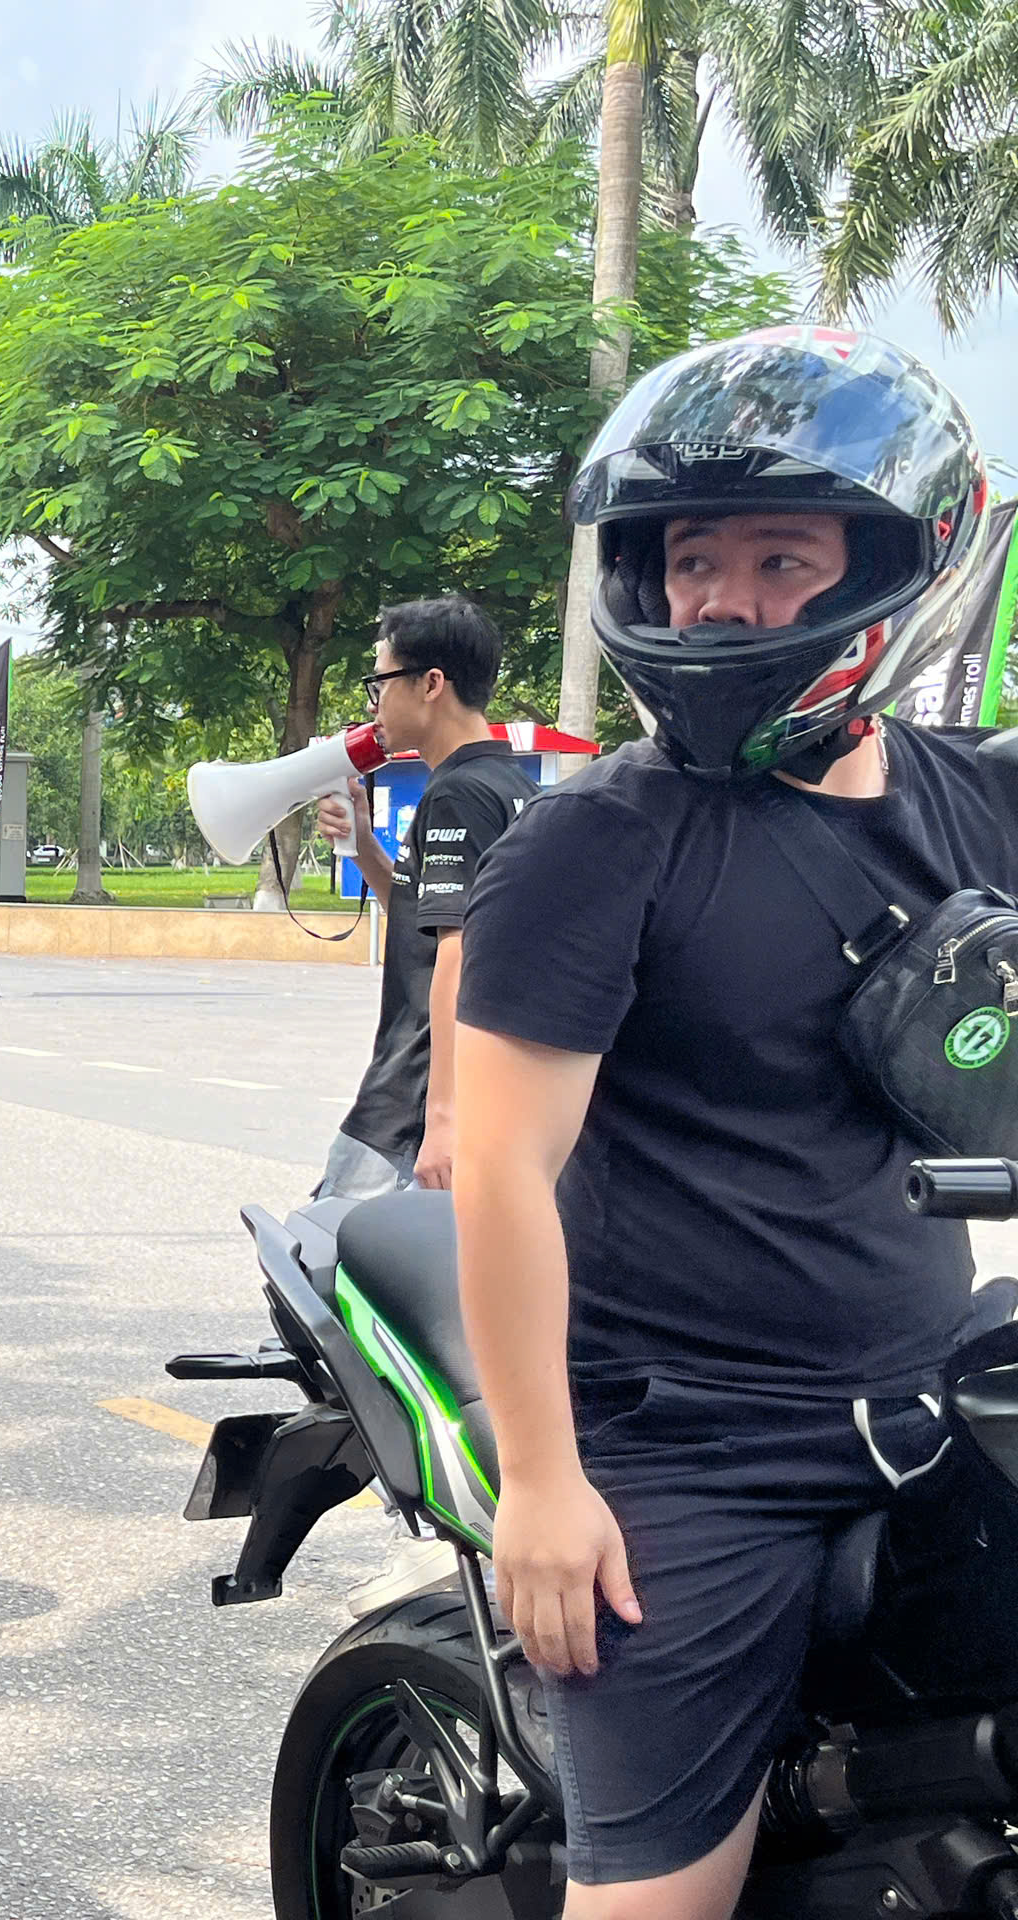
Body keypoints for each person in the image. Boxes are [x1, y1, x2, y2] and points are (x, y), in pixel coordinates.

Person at [453, 327, 1008, 1917]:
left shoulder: (981, 800)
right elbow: (499, 1163)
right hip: (692, 1445)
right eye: (694, 560)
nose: (721, 603)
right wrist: (543, 1486)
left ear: (900, 570)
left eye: (780, 560)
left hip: (935, 1393)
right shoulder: (597, 842)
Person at [316, 598, 539, 1198]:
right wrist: (364, 846)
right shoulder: (513, 786)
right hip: (477, 1089)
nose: (374, 705)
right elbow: (426, 918)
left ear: (431, 684)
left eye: (381, 682)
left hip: (410, 1105)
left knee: (326, 1245)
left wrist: (443, 1119)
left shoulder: (457, 796)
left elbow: (457, 953)